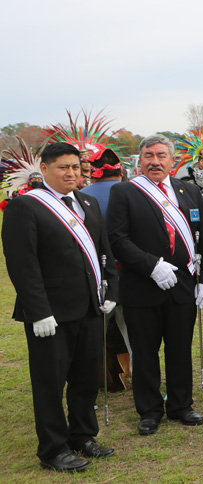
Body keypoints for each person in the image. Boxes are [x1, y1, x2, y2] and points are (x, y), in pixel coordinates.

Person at [3, 142, 118, 472]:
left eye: (75, 167)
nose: (71, 173)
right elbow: (23, 265)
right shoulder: (26, 207)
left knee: (85, 378)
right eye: (62, 167)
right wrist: (38, 310)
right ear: (44, 169)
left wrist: (112, 287)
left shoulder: (88, 202)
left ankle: (82, 435)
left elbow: (104, 251)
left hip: (91, 307)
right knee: (50, 383)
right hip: (50, 314)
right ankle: (52, 449)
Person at [107, 134, 203, 435]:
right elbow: (117, 239)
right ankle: (150, 410)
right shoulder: (124, 191)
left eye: (161, 155)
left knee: (180, 350)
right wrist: (151, 265)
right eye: (148, 156)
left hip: (183, 287)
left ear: (172, 160)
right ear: (139, 160)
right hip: (142, 287)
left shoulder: (189, 191)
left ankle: (181, 405)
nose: (155, 161)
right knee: (144, 353)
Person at [82, 147, 132, 390]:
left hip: (97, 276)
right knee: (136, 337)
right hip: (133, 273)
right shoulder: (134, 193)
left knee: (91, 338)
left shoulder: (79, 196)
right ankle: (143, 382)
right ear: (120, 170)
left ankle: (88, 388)